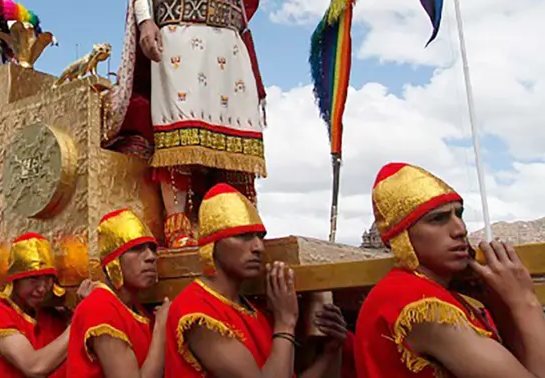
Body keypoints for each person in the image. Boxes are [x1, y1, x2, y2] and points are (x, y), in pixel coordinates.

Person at [105, 0, 341, 247]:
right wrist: (147, 24)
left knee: (238, 139)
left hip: (229, 47)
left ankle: (241, 222)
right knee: (179, 134)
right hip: (178, 41)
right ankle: (179, 226)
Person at [356, 162, 545, 378]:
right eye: (438, 219)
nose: (460, 229)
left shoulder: (429, 292)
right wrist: (524, 301)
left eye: (459, 214)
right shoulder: (418, 304)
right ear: (402, 237)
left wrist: (500, 306)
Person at [165, 183, 348, 377]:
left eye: (260, 236)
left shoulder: (253, 310)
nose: (258, 247)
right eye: (243, 236)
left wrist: (331, 351)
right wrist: (285, 322)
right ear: (213, 245)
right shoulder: (195, 311)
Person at [0, 232, 92, 378]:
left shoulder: (51, 315)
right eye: (33, 279)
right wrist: (80, 318)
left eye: (48, 278)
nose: (42, 288)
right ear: (15, 280)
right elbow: (34, 367)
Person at [66, 209, 168, 378]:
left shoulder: (136, 308)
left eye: (152, 248)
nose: (151, 257)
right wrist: (161, 329)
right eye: (136, 249)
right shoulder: (100, 308)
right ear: (113, 262)